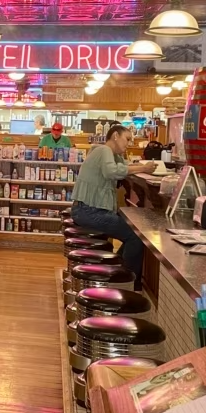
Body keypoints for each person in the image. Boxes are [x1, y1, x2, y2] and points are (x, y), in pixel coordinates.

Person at [71, 125, 156, 291]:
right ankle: (127, 285)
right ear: (115, 136)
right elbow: (112, 172)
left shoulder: (110, 154)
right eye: (127, 139)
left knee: (132, 232)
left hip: (87, 210)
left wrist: (136, 165)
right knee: (135, 237)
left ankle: (118, 273)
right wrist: (144, 168)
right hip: (88, 211)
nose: (129, 143)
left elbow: (123, 166)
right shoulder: (103, 150)